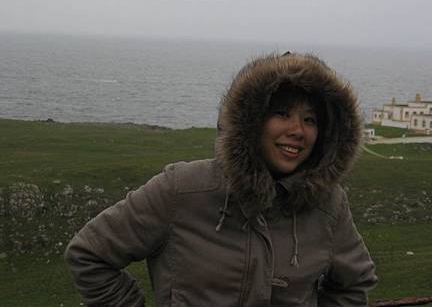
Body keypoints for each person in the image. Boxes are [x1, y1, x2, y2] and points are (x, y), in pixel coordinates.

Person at [65, 52, 377, 306]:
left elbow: (354, 283)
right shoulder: (182, 189)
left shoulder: (328, 205)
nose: (298, 130)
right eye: (282, 113)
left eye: (310, 119)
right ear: (248, 121)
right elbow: (90, 254)